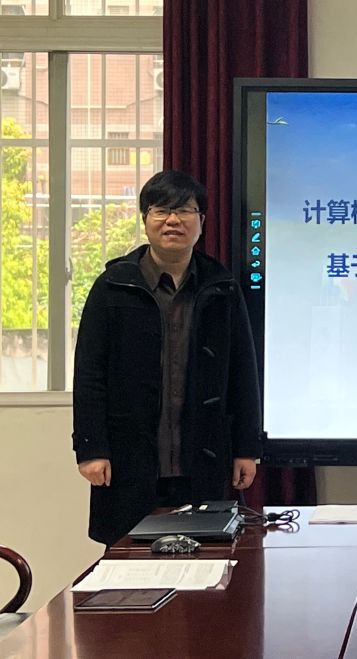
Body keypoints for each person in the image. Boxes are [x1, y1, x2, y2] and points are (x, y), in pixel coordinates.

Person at [72, 170, 261, 546]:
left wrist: (247, 448)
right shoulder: (113, 286)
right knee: (129, 559)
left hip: (205, 456)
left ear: (201, 221)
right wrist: (91, 448)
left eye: (184, 210)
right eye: (161, 210)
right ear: (145, 219)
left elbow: (244, 372)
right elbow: (89, 373)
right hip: (129, 457)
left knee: (211, 559)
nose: (173, 220)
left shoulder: (222, 286)